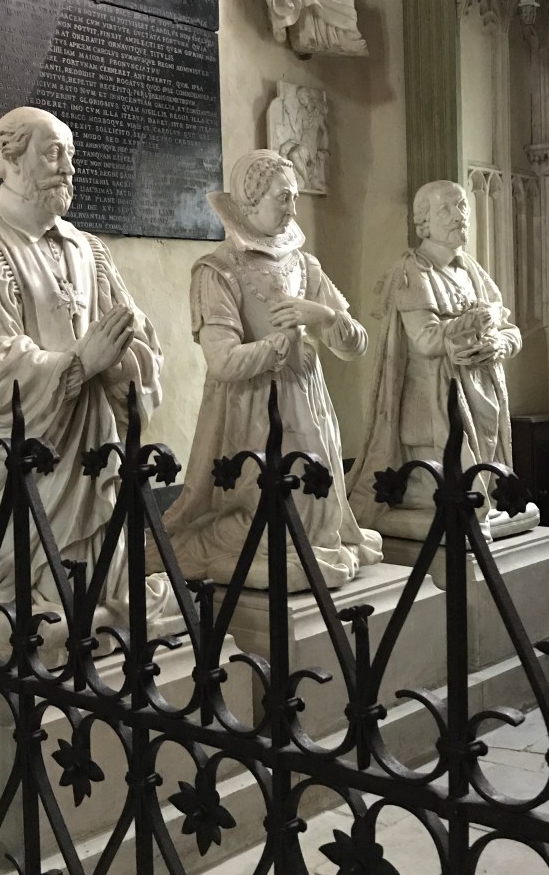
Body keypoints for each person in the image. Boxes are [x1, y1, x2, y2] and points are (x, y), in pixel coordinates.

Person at [0, 106, 179, 640]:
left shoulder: (89, 249)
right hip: (24, 463)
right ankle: (29, 591)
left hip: (92, 451)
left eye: (71, 153)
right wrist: (79, 364)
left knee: (103, 584)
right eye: (53, 152)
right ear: (10, 160)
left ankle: (92, 591)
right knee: (21, 610)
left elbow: (137, 347)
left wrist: (123, 365)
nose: (68, 167)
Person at [147, 149, 382, 591]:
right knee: (266, 513)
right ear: (251, 200)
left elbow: (356, 345)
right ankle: (209, 542)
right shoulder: (218, 270)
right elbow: (223, 361)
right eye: (283, 198)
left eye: (294, 198)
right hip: (250, 409)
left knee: (319, 513)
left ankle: (307, 543)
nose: (294, 208)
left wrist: (323, 317)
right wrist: (280, 344)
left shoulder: (305, 265)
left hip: (307, 403)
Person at [347, 180, 539, 540]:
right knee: (448, 480)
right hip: (436, 401)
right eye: (445, 210)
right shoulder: (413, 272)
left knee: (484, 481)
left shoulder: (471, 271)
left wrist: (498, 343)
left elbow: (510, 329)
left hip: (482, 394)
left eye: (462, 206)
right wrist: (475, 325)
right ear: (423, 222)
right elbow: (426, 340)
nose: (458, 216)